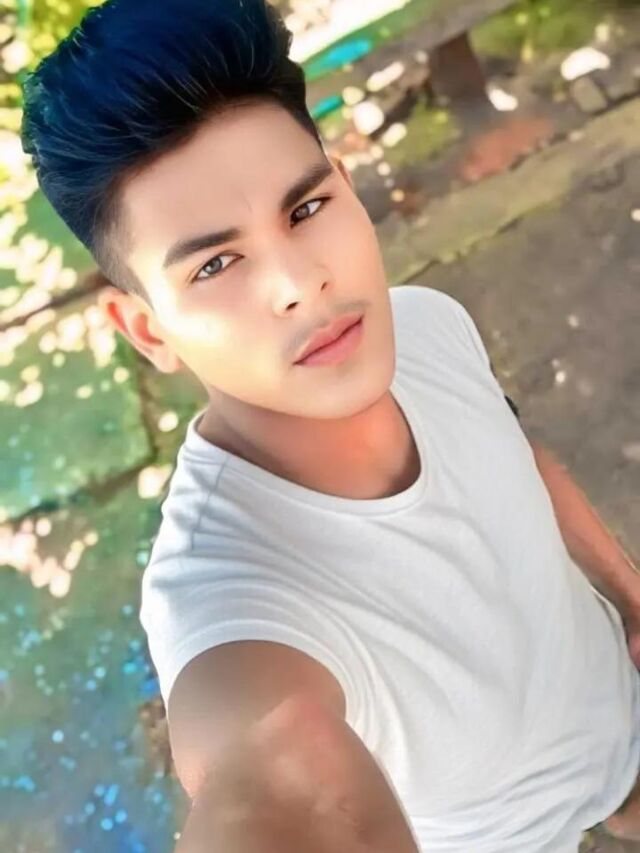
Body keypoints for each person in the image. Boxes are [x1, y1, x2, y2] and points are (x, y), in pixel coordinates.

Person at [20, 0, 640, 849]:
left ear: (345, 186)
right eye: (216, 263)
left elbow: (515, 461)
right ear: (148, 330)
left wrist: (630, 597)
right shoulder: (228, 595)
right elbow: (269, 768)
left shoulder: (423, 324)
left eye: (306, 209)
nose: (298, 283)